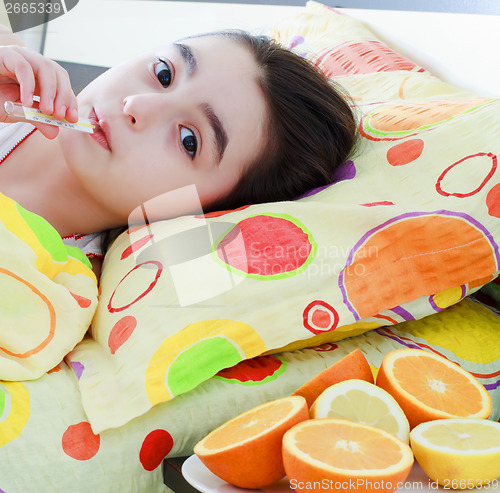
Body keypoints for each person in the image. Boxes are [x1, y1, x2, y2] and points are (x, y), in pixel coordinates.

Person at [0, 25, 357, 275]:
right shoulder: (10, 66)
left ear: (206, 210)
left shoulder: (55, 281)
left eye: (190, 140)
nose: (137, 106)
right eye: (164, 73)